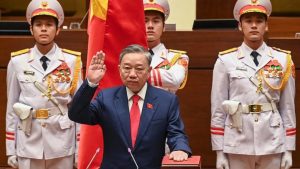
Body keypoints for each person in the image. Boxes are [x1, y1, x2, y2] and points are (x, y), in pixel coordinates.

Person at [68, 44, 192, 169]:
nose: (132, 74)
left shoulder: (166, 100)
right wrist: (91, 83)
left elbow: (176, 133)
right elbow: (76, 114)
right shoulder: (106, 98)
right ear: (119, 69)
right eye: (127, 68)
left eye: (139, 69)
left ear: (149, 71)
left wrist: (180, 149)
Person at [210, 0, 296, 169]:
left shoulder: (283, 60)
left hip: (272, 139)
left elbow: (288, 107)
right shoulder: (225, 61)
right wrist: (219, 151)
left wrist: (289, 149)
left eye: (259, 21)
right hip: (237, 139)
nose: (254, 25)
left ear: (267, 25)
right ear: (240, 26)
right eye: (248, 21)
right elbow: (218, 108)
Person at [5, 0, 82, 168]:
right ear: (31, 29)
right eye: (38, 25)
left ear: (58, 29)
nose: (44, 28)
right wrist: (11, 148)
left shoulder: (72, 61)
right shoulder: (18, 62)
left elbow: (78, 108)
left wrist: (80, 148)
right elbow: (12, 107)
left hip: (62, 142)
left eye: (49, 24)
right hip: (29, 140)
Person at [144, 0, 189, 94]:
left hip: (163, 108)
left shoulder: (176, 57)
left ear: (164, 27)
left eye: (156, 21)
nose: (150, 26)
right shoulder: (128, 54)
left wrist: (134, 72)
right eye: (145, 21)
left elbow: (175, 80)